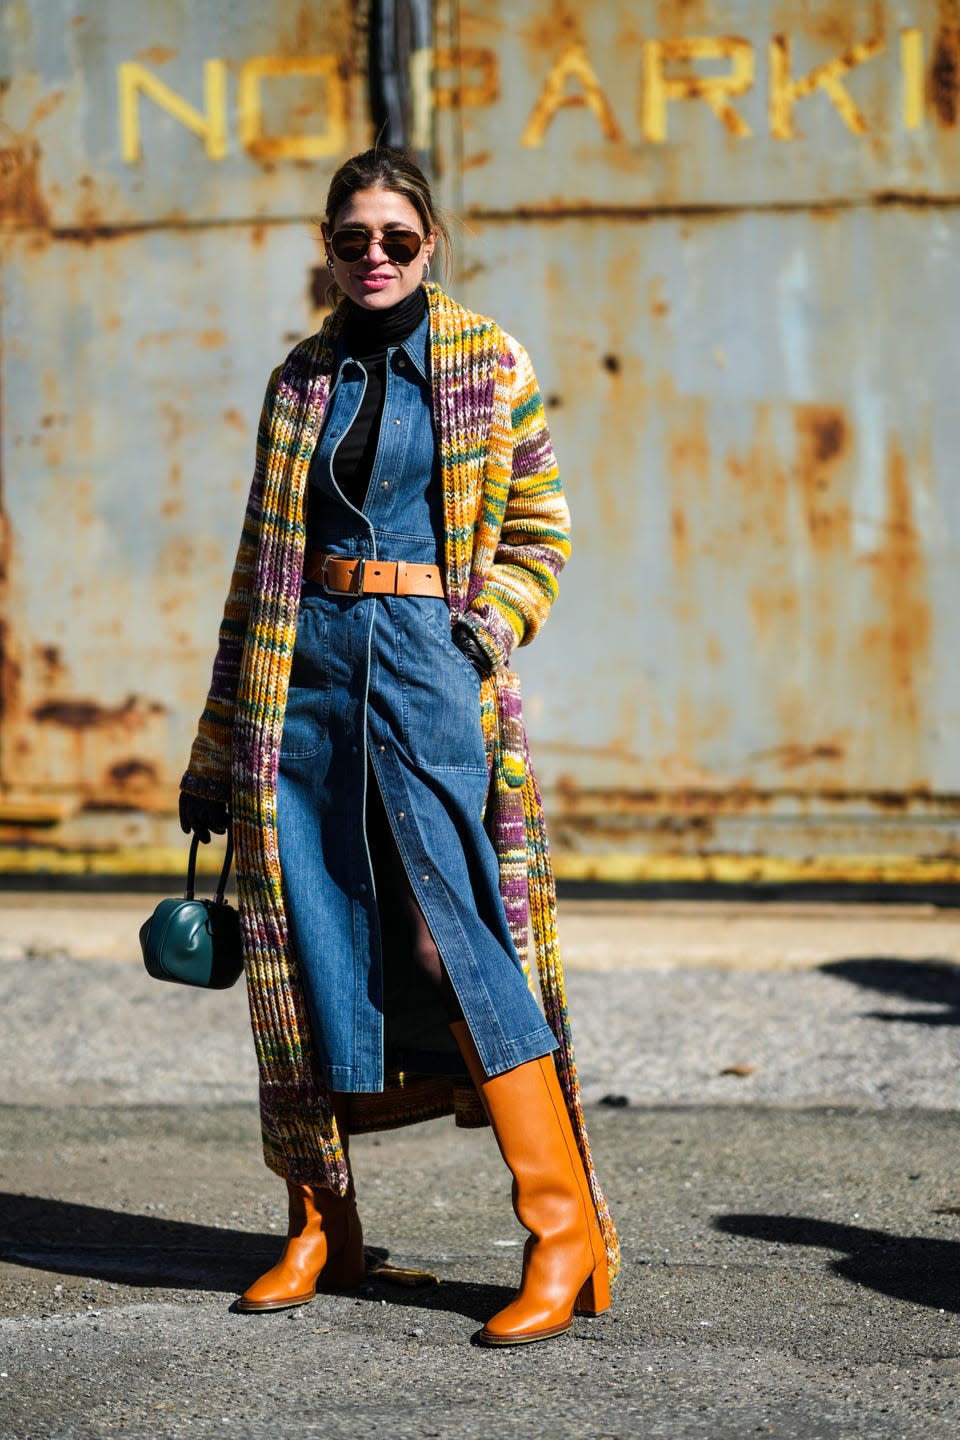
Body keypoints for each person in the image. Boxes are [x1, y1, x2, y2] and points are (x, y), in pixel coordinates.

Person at [179, 145, 618, 1347]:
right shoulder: (299, 379)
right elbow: (252, 572)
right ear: (327, 246)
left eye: (398, 239)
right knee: (306, 941)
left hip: (429, 674)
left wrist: (483, 637)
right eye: (352, 238)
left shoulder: (487, 359)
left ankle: (559, 1222)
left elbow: (542, 526)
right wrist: (219, 745)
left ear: (433, 243)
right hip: (300, 678)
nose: (374, 256)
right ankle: (322, 1223)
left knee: (450, 932)